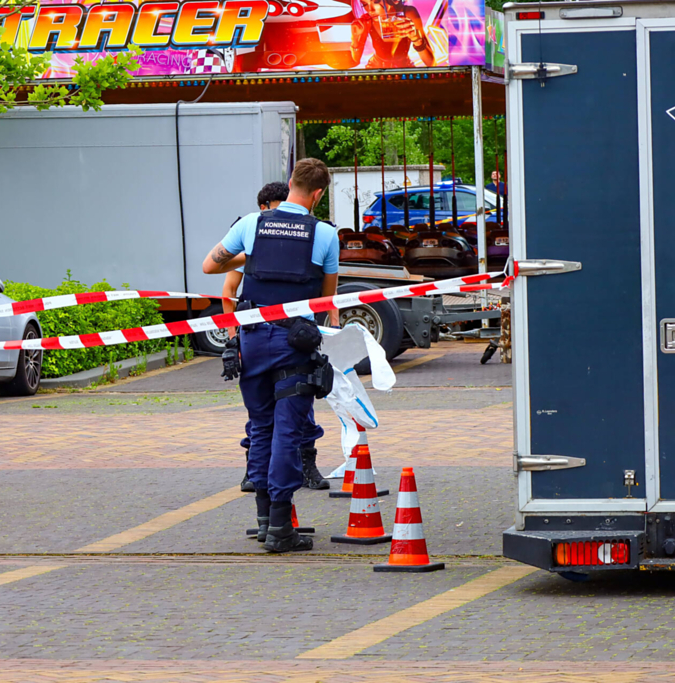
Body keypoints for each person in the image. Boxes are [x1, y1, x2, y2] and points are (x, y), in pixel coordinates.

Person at [203, 159, 340, 553]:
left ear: (291, 184)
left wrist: (252, 256)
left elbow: (210, 265)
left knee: (260, 426)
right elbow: (326, 298)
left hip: (251, 340)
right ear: (317, 194)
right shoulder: (325, 234)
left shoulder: (250, 224)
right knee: (288, 432)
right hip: (293, 343)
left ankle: (263, 522)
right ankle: (281, 527)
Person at [225, 182, 330, 493]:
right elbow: (228, 290)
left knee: (297, 414)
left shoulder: (304, 236)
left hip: (291, 335)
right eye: (269, 209)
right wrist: (232, 339)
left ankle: (305, 465)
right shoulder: (252, 239)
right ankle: (257, 478)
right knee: (261, 419)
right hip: (257, 333)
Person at [351, 0, 434, 69]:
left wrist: (416, 39)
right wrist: (355, 38)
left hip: (403, 68)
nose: (370, 10)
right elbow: (355, 60)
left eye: (376, 1)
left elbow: (431, 63)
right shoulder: (367, 21)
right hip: (377, 69)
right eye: (365, 4)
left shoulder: (408, 13)